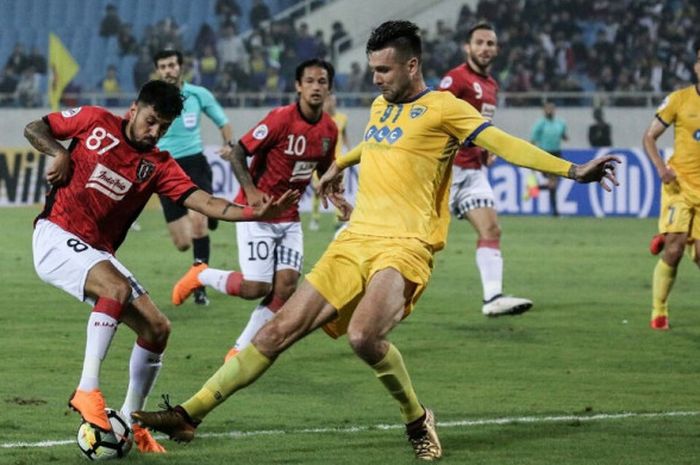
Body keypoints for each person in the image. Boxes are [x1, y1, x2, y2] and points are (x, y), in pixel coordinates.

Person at [132, 21, 618, 461]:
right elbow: (378, 143)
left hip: (406, 246)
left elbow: (504, 143)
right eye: (372, 70)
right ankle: (190, 415)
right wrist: (339, 166)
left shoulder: (447, 108)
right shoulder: (380, 105)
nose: (376, 79)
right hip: (354, 238)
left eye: (384, 70)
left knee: (364, 336)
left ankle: (416, 419)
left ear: (412, 64)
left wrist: (572, 169)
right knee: (275, 332)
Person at [24, 80, 296, 453]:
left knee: (157, 328)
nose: (155, 133)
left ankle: (134, 422)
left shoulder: (157, 165)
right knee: (116, 290)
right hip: (56, 235)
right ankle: (87, 388)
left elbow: (206, 203)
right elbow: (35, 127)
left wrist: (255, 212)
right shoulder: (93, 121)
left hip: (97, 252)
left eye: (164, 127)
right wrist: (59, 152)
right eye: (151, 121)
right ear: (134, 109)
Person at [169, 59, 344, 362]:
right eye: (311, 81)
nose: (317, 87)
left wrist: (334, 191)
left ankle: (239, 350)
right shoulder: (279, 119)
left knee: (286, 286)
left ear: (329, 87)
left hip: (289, 218)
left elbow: (325, 168)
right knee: (256, 287)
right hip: (257, 215)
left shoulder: (329, 129)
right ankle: (202, 274)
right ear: (298, 86)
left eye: (323, 81)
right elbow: (238, 153)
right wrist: (251, 193)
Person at [439, 22, 532, 317]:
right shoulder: (455, 79)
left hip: (472, 172)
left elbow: (480, 127)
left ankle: (492, 297)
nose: (484, 48)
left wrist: (485, 147)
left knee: (491, 228)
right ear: (467, 47)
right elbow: (436, 116)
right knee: (419, 241)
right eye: (479, 42)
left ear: (497, 50)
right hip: (446, 171)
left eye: (490, 44)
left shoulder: (492, 85)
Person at [153, 49, 234, 306]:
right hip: (165, 170)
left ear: (180, 67)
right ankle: (210, 215)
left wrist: (229, 144)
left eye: (172, 65)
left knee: (198, 224)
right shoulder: (152, 98)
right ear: (158, 71)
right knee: (183, 243)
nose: (168, 70)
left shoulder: (198, 94)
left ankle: (200, 286)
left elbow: (223, 121)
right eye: (163, 66)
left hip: (194, 165)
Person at [642, 43, 700, 330]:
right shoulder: (679, 100)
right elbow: (649, 137)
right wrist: (661, 169)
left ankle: (676, 235)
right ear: (695, 66)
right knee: (674, 251)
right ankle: (659, 312)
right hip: (679, 185)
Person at [309, 92, 351, 232]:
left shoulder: (342, 118)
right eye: (328, 101)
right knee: (318, 190)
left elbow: (344, 136)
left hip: (338, 162)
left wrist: (349, 152)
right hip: (320, 161)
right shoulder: (318, 119)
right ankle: (315, 218)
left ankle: (337, 221)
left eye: (332, 101)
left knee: (337, 190)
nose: (330, 103)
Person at [530, 101, 568, 216]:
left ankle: (534, 189)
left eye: (552, 108)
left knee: (553, 184)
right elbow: (533, 140)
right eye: (547, 109)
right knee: (552, 183)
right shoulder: (540, 124)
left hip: (557, 153)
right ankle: (555, 211)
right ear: (544, 110)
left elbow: (563, 135)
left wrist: (565, 137)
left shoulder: (561, 123)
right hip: (545, 154)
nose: (550, 111)